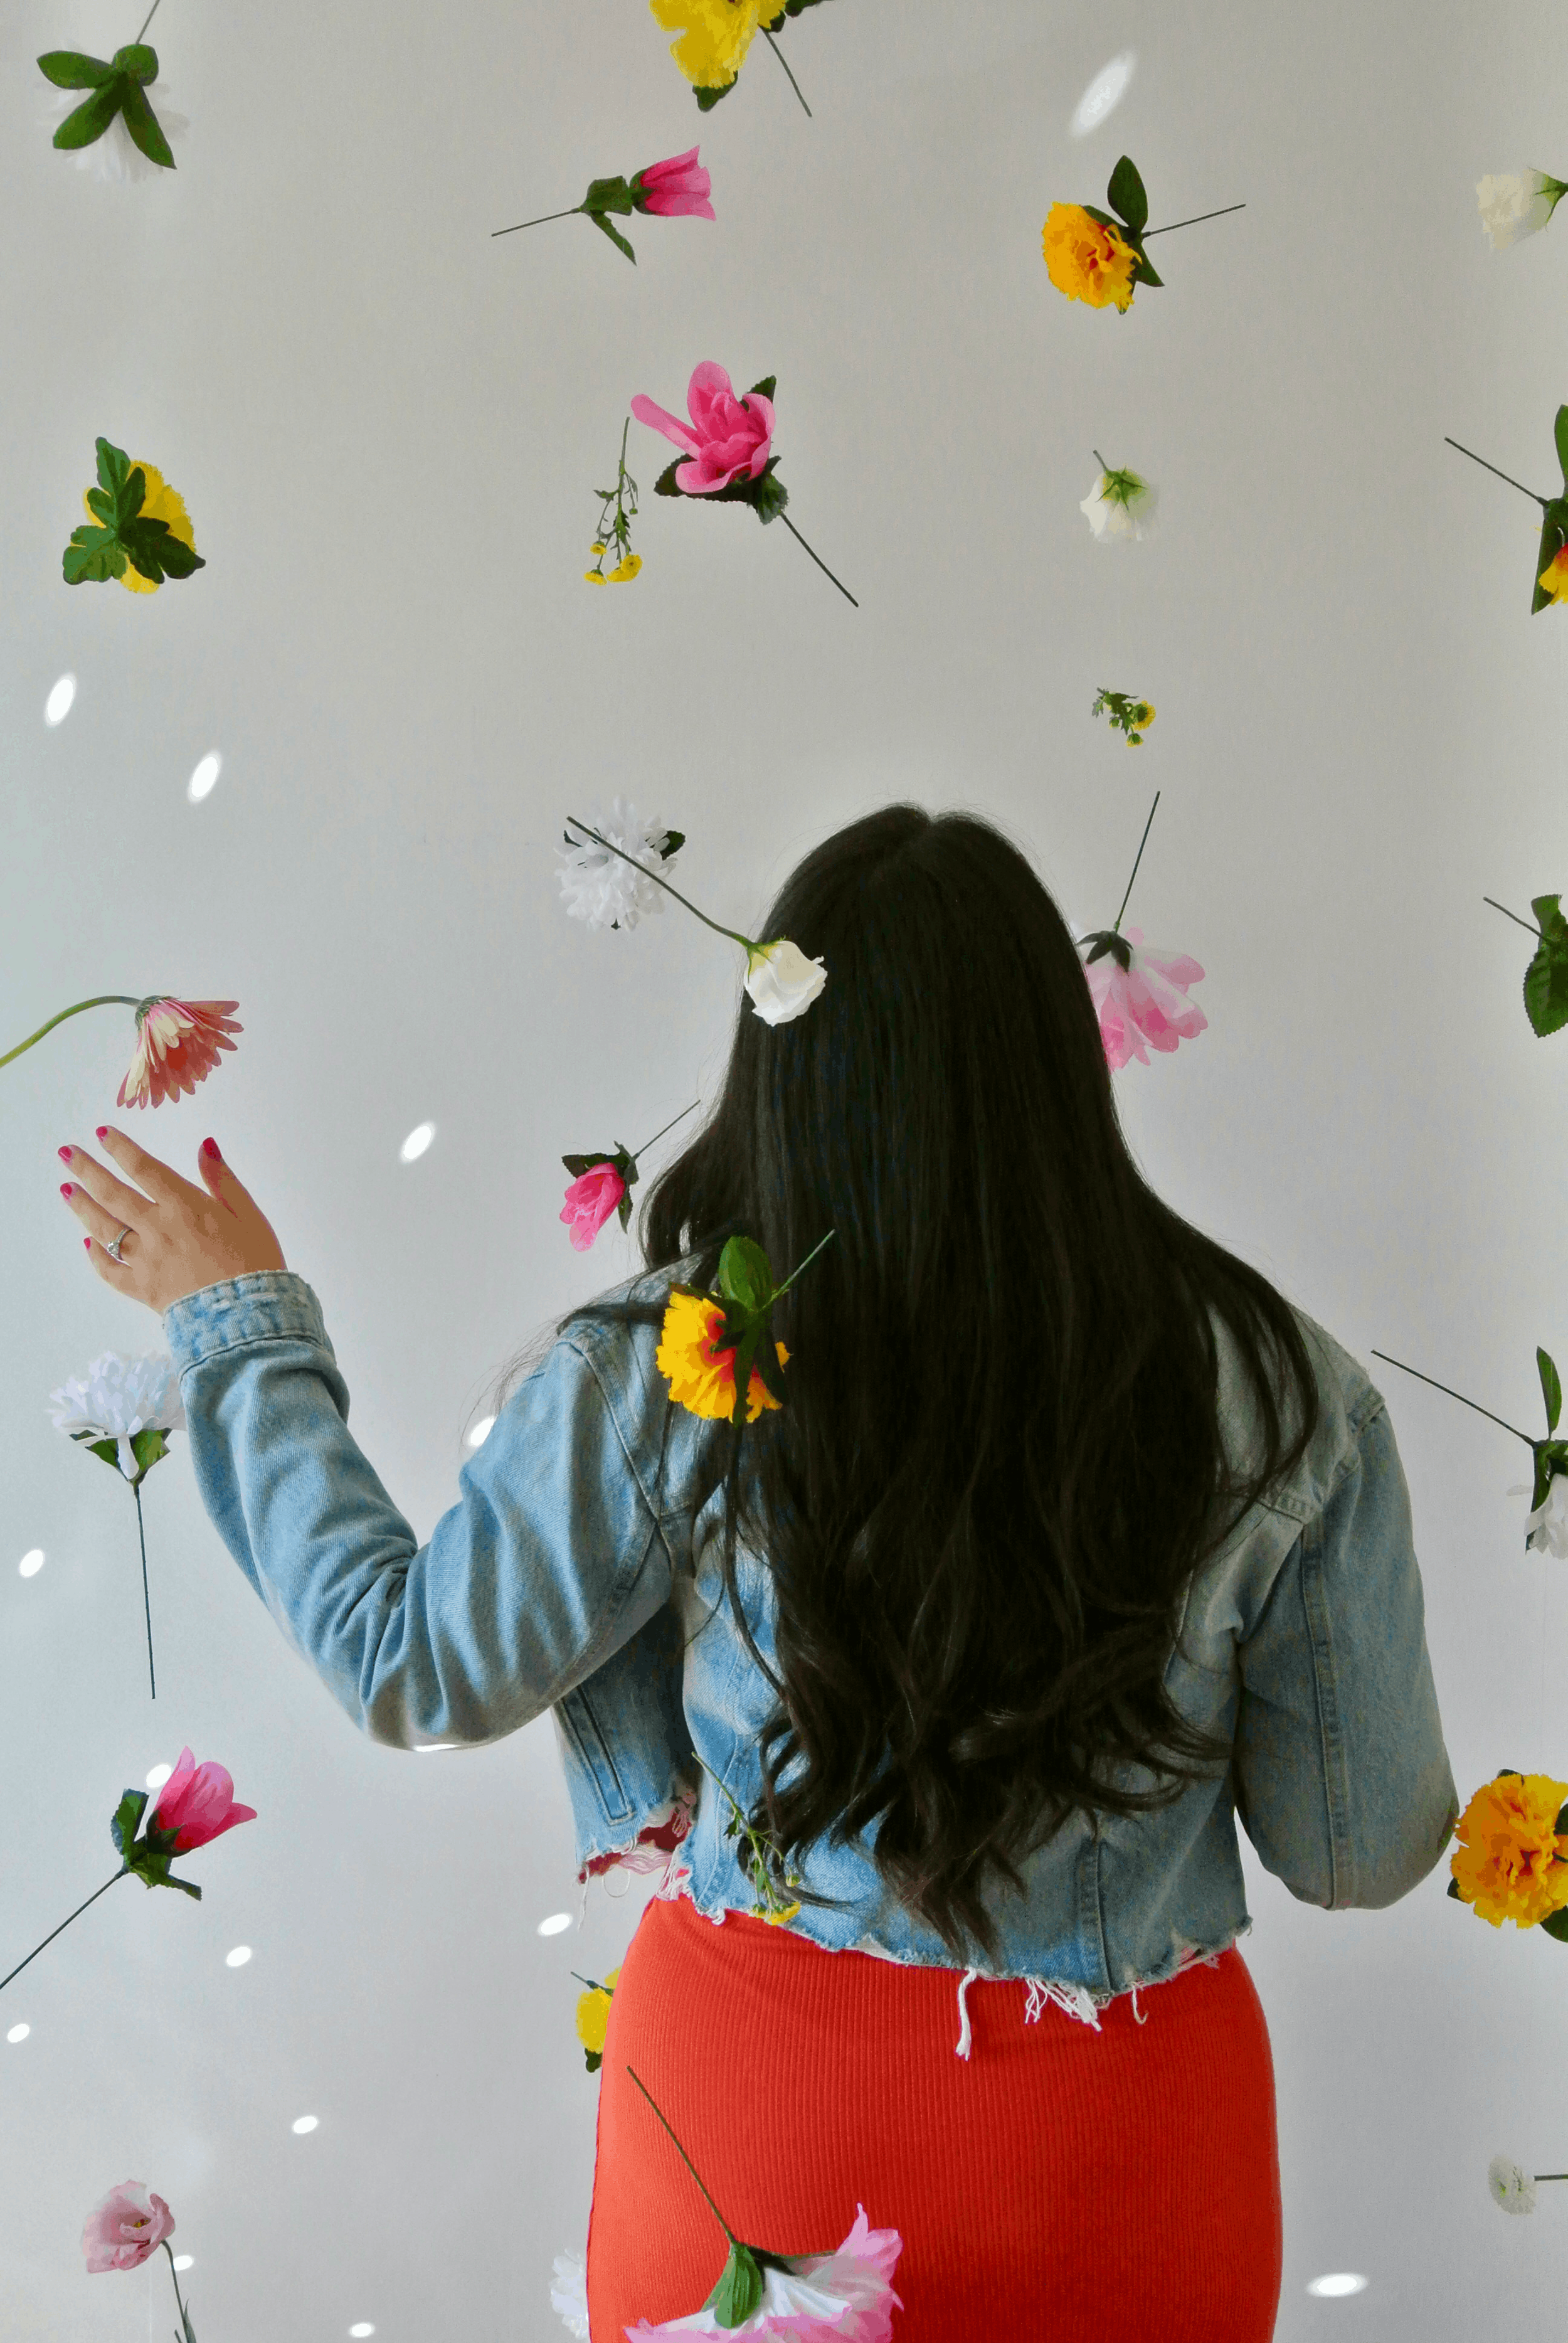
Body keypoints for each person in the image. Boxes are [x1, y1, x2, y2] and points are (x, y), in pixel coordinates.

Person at [53, 803, 1457, 2342]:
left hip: (755, 2139)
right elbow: (1355, 1851)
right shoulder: (1285, 1387)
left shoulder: (682, 1357)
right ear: (1056, 1063)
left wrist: (243, 1329)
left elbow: (414, 1665)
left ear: (780, 1061)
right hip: (1124, 2153)